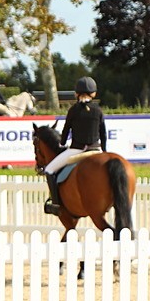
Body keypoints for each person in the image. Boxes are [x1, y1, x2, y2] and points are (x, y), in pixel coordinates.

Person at [43, 76, 106, 215]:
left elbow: (65, 132)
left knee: (49, 170)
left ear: (76, 93)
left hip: (76, 150)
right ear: (94, 94)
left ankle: (56, 203)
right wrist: (104, 151)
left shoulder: (73, 110)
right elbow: (103, 133)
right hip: (95, 150)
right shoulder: (98, 110)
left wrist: (62, 143)